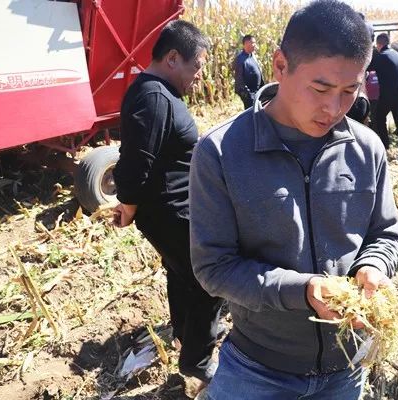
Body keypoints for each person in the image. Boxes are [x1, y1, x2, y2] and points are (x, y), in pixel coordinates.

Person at [188, 1, 398, 399]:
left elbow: (385, 233)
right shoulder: (220, 152)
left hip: (347, 366)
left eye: (350, 91)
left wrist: (373, 266)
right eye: (320, 88)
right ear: (281, 64)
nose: (334, 108)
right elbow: (214, 267)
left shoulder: (367, 148)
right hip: (257, 370)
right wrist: (302, 290)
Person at [112, 20, 223, 397]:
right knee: (209, 282)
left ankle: (183, 335)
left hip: (173, 209)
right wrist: (127, 207)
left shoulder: (157, 93)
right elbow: (134, 162)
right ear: (173, 57)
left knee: (181, 275)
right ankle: (198, 361)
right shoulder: (154, 96)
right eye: (196, 66)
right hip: (170, 211)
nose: (198, 75)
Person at [369, 33, 398, 158]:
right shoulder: (397, 54)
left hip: (389, 95)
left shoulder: (381, 57)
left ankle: (385, 146)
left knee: (379, 118)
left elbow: (368, 67)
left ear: (378, 44)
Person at [234, 34, 265, 109]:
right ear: (246, 44)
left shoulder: (252, 56)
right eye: (252, 43)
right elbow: (239, 80)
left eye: (255, 43)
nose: (254, 45)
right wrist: (248, 95)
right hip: (249, 95)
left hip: (257, 93)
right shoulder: (240, 59)